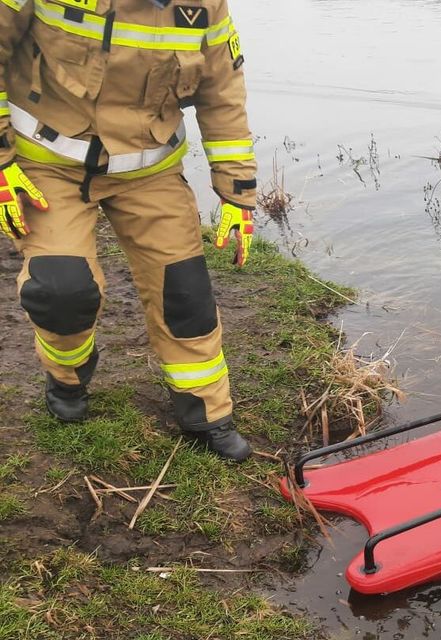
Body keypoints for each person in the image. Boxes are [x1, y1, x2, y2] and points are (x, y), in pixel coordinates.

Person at [0, 0, 257, 461]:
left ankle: (206, 411)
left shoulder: (204, 6)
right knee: (61, 291)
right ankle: (67, 376)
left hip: (150, 170)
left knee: (185, 295)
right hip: (47, 165)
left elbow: (223, 92)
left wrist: (237, 193)